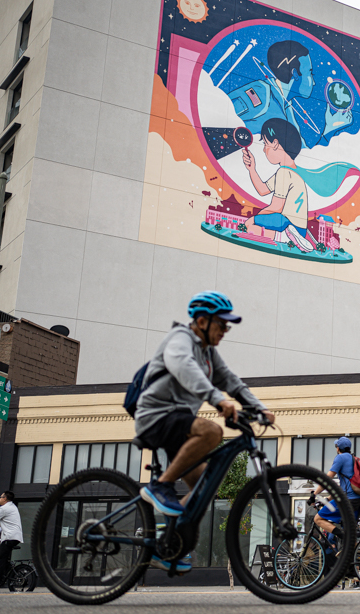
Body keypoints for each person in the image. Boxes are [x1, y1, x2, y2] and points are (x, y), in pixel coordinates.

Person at [135, 291, 275, 572]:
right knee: (212, 431)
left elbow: (231, 380)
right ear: (201, 321)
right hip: (156, 416)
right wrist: (218, 400)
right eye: (221, 324)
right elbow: (183, 367)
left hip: (178, 424)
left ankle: (166, 545)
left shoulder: (209, 353)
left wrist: (259, 407)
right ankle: (160, 486)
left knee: (205, 486)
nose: (224, 331)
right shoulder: (180, 339)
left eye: (227, 327)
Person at [242, 118, 313, 251]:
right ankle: (287, 237)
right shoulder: (291, 171)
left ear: (275, 143)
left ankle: (286, 237)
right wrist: (252, 169)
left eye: (265, 144)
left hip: (286, 222)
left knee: (250, 225)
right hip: (299, 228)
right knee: (253, 226)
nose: (264, 150)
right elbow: (263, 190)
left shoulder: (284, 173)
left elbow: (276, 207)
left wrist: (256, 218)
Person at [310, 437, 360, 538]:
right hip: (359, 500)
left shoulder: (340, 458)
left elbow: (327, 479)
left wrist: (314, 494)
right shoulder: (353, 459)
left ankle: (343, 536)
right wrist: (327, 499)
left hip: (347, 500)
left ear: (338, 448)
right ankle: (351, 545)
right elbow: (341, 488)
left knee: (318, 519)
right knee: (349, 531)